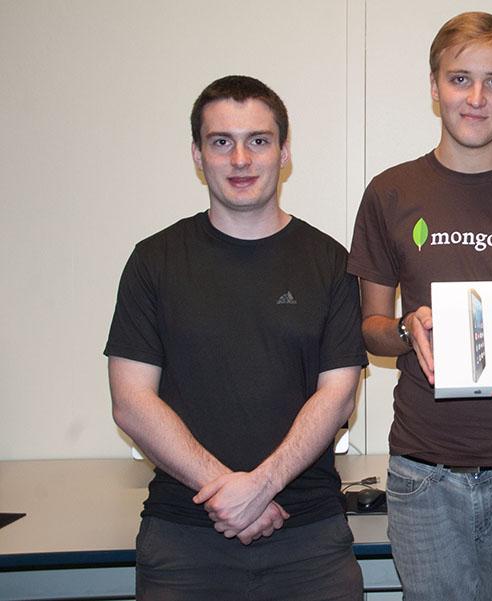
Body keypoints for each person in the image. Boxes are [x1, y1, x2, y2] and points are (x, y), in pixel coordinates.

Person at [348, 12, 492, 601]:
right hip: (423, 470)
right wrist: (408, 329)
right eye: (460, 79)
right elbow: (370, 330)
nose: (476, 98)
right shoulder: (390, 193)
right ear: (434, 87)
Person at [104, 75, 366, 600]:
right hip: (184, 539)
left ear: (284, 152)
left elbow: (338, 395)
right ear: (198, 155)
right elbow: (131, 402)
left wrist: (262, 486)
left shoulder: (330, 262)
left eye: (259, 140)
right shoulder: (154, 261)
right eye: (221, 142)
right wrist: (230, 494)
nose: (240, 159)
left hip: (309, 538)